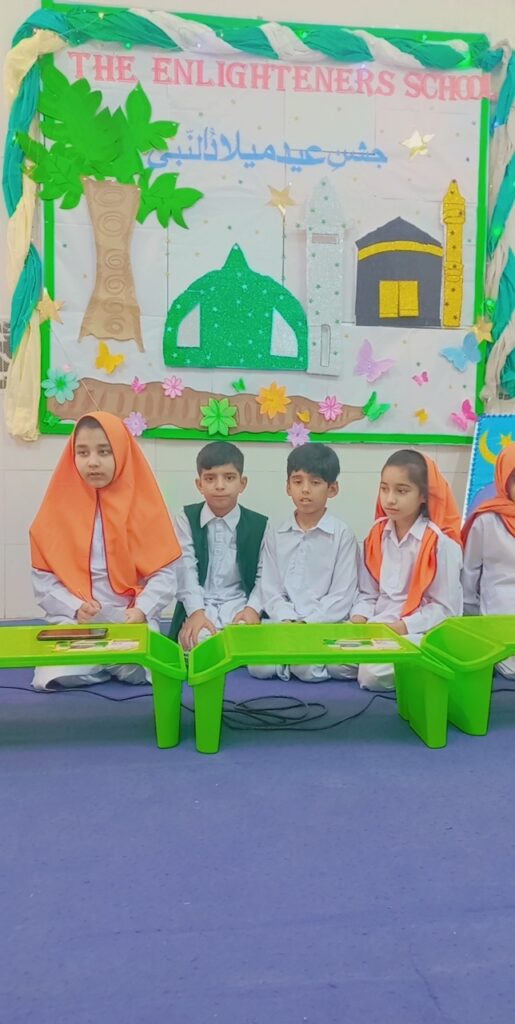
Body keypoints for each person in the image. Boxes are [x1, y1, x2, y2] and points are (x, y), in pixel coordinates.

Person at [30, 412, 181, 690]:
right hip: (78, 622)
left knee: (147, 668)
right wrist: (76, 608)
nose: (93, 462)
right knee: (51, 676)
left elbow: (166, 574)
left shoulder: (146, 508)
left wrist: (141, 611)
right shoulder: (56, 509)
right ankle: (107, 662)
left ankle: (104, 660)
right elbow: (44, 580)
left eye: (104, 451)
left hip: (130, 619)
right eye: (83, 452)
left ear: (122, 453)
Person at [351, 449, 463, 690]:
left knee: (371, 674)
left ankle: (431, 667)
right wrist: (359, 619)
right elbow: (368, 593)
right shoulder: (376, 534)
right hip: (379, 625)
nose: (390, 499)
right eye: (384, 489)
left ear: (423, 495)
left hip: (420, 631)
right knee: (333, 662)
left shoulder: (440, 543)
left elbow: (446, 609)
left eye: (401, 491)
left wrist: (402, 627)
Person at [248, 443, 359, 682]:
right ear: (288, 487)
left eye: (315, 482)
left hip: (323, 624)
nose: (305, 490)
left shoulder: (343, 535)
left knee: (320, 667)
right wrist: (287, 620)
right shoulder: (276, 532)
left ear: (332, 489)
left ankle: (292, 664)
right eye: (297, 482)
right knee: (258, 667)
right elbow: (270, 587)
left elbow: (342, 595)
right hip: (283, 623)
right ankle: (295, 661)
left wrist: (307, 623)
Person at [171, 441, 268, 650]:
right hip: (199, 604)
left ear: (243, 483)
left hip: (239, 604)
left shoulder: (260, 524)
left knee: (249, 642)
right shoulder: (186, 518)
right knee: (197, 641)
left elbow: (265, 576)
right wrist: (196, 612)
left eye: (229, 477)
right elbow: (185, 569)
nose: (220, 486)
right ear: (199, 484)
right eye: (210, 478)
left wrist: (252, 609)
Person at [462, 443, 515, 677]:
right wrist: (472, 622)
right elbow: (469, 574)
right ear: (505, 480)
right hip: (497, 611)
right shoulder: (486, 520)